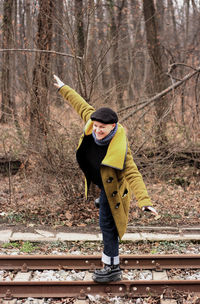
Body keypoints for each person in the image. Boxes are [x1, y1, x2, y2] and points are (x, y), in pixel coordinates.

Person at [53, 75, 158, 283]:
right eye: (96, 126)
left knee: (107, 225)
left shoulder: (120, 147)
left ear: (113, 127)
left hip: (115, 190)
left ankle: (112, 268)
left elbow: (133, 174)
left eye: (103, 128)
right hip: (103, 185)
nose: (98, 130)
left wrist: (145, 202)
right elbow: (80, 104)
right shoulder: (92, 124)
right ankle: (111, 263)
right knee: (105, 222)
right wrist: (63, 88)